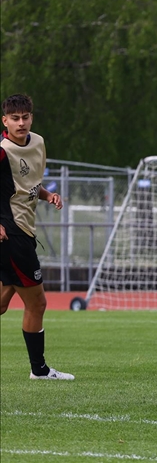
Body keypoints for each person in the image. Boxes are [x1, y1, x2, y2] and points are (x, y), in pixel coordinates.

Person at [0, 93, 74, 381]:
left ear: (31, 117)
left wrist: (48, 196)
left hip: (24, 230)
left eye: (25, 117)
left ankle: (39, 370)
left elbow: (30, 185)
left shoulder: (38, 142)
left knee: (4, 301)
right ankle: (39, 370)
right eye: (14, 118)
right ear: (4, 120)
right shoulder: (3, 150)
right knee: (37, 303)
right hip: (12, 232)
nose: (21, 123)